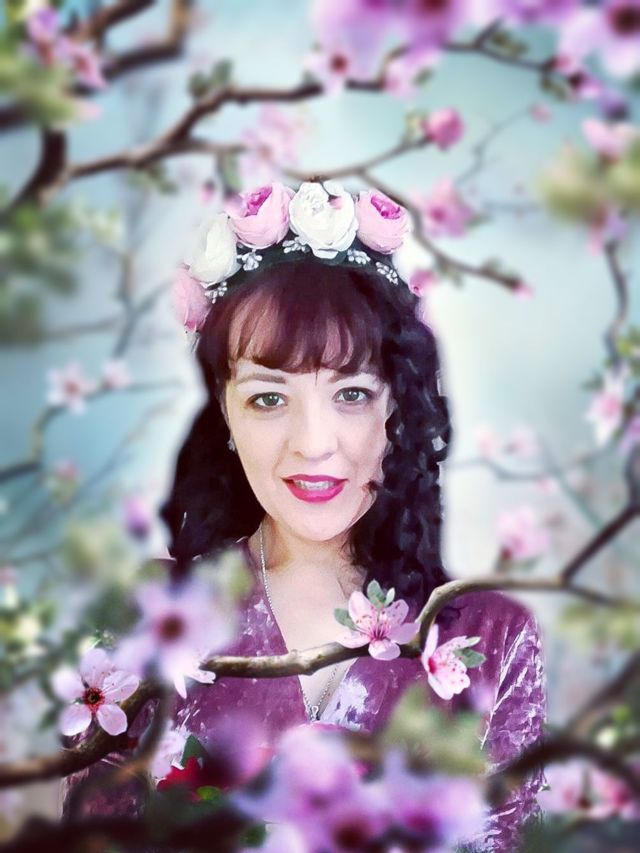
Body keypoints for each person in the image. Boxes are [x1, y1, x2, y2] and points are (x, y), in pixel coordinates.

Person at [60, 181, 547, 853]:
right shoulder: (143, 612)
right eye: (268, 398)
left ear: (395, 407)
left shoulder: (494, 638)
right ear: (224, 412)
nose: (313, 444)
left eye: (351, 393)